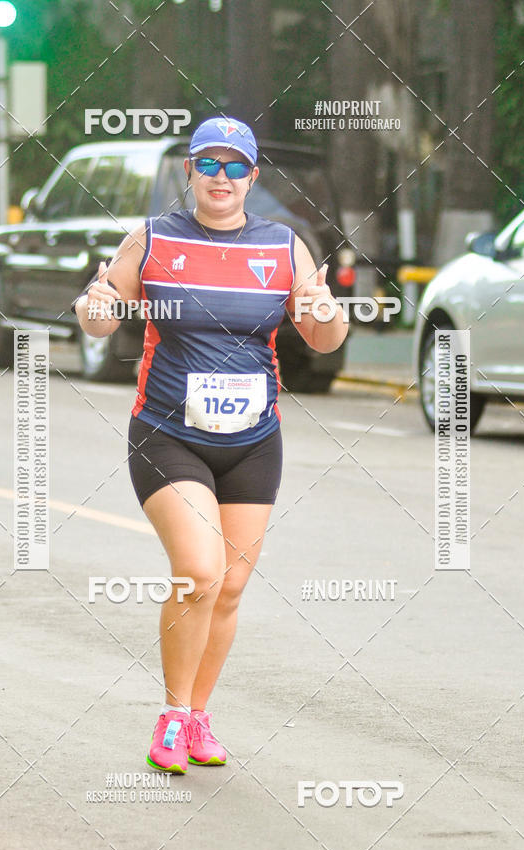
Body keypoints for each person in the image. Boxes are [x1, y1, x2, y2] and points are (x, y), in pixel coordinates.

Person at [73, 116, 347, 774]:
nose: (220, 177)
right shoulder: (154, 239)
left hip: (254, 439)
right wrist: (96, 302)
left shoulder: (284, 246)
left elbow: (324, 341)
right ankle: (170, 716)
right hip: (169, 433)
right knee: (199, 571)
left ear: (252, 176)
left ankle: (199, 717)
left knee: (229, 588)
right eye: (208, 164)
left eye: (234, 166)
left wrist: (326, 312)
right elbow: (103, 311)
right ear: (189, 172)